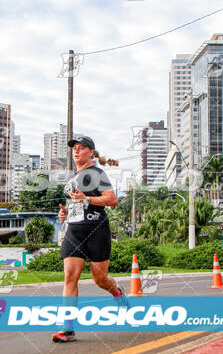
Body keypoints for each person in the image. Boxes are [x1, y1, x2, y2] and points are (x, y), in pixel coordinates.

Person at [51, 136, 126, 343]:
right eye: (74, 148)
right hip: (74, 232)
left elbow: (112, 200)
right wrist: (65, 213)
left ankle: (117, 293)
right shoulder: (72, 178)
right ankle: (67, 328)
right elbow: (75, 205)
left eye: (81, 148)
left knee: (99, 279)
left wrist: (87, 199)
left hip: (96, 230)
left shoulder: (96, 173)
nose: (76, 151)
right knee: (69, 277)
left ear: (91, 152)